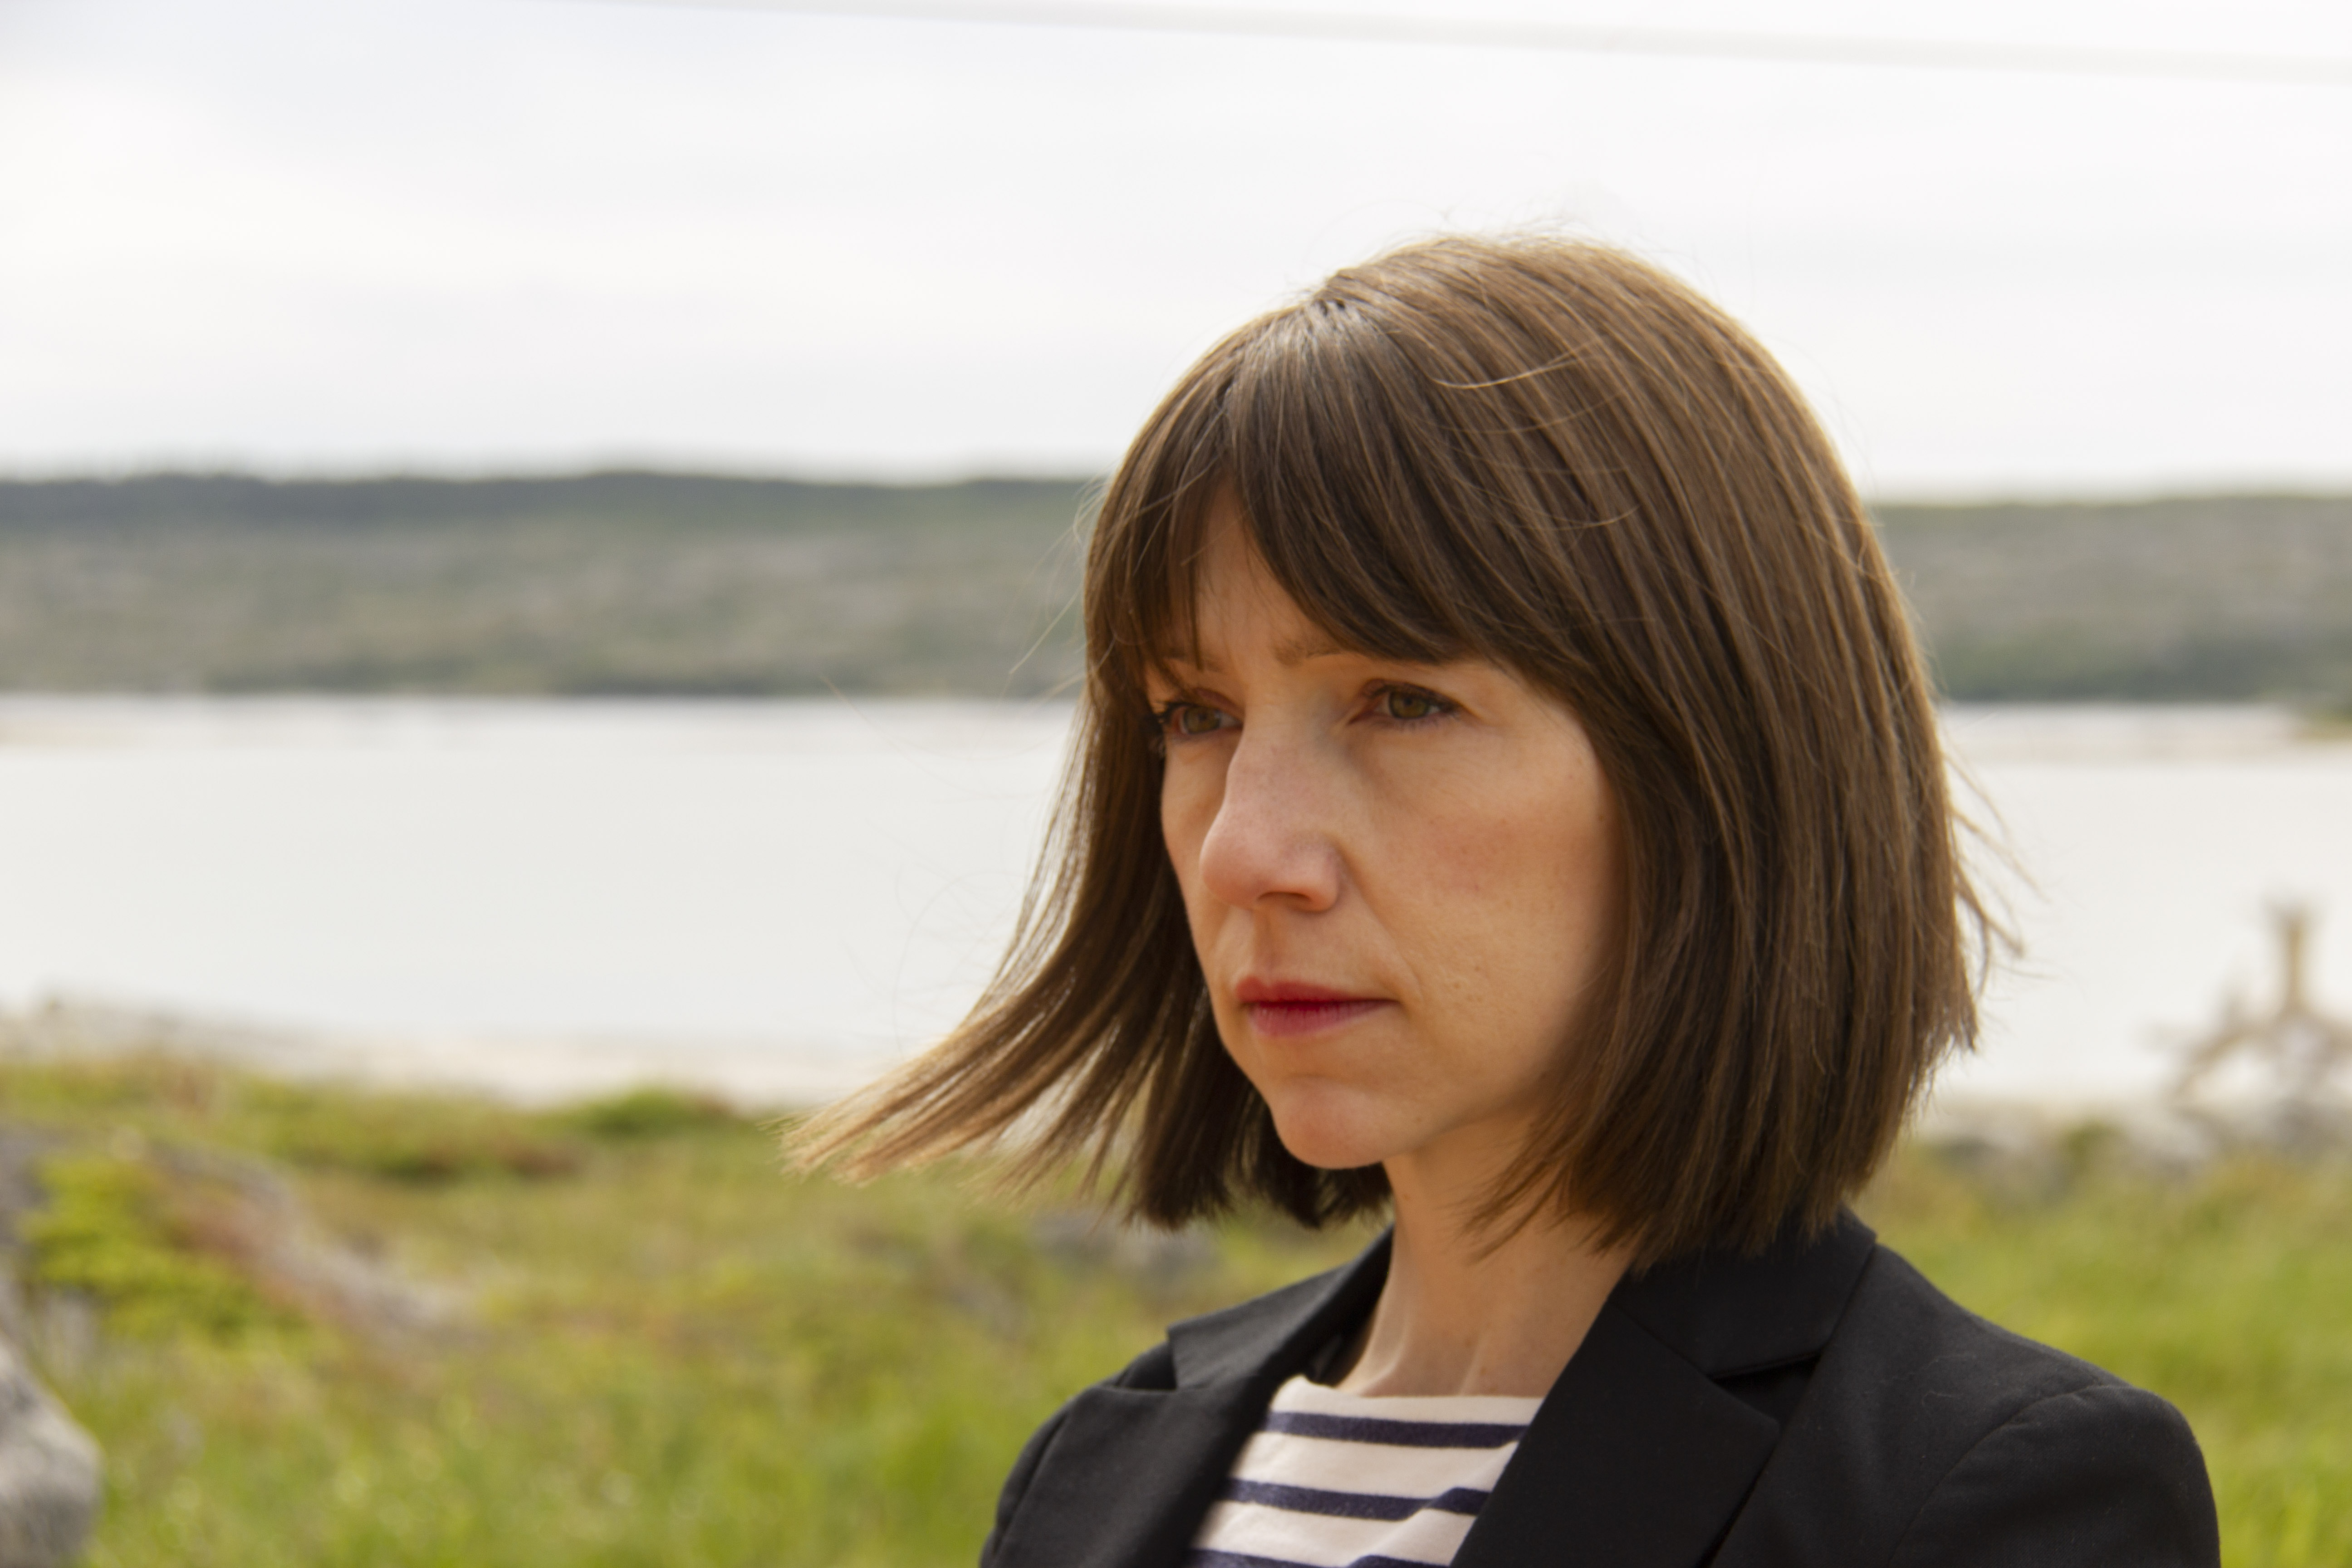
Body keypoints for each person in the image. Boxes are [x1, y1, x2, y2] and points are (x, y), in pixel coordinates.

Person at [794, 234, 2220, 1568]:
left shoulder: (1988, 1498)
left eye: (1402, 701)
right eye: (1194, 713)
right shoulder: (1095, 1468)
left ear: (1719, 759)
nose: (1245, 849)